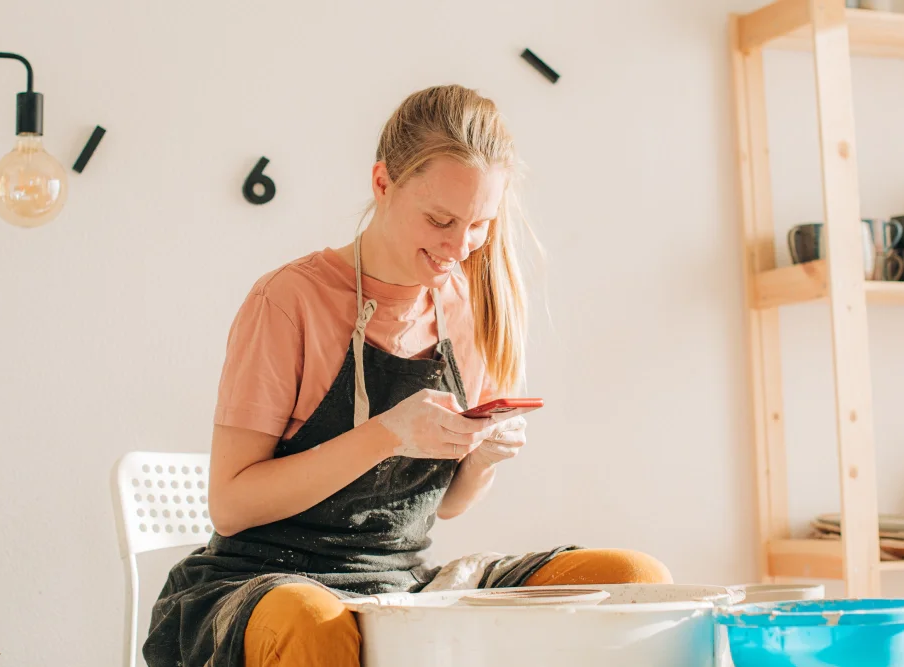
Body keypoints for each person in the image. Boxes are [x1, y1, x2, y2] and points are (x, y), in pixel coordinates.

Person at [142, 84, 671, 667]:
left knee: (635, 578)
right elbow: (231, 505)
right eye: (441, 219)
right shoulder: (288, 300)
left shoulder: (467, 304)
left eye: (479, 225)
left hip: (401, 582)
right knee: (312, 623)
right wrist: (388, 435)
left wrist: (481, 459)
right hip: (265, 582)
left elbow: (445, 507)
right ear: (382, 184)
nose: (459, 246)